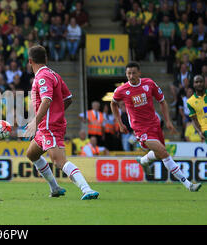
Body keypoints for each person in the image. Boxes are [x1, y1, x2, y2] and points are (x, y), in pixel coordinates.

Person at [111, 62, 201, 192]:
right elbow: (113, 104)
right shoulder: (122, 90)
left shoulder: (149, 84)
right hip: (140, 129)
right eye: (128, 73)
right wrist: (120, 123)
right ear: (126, 74)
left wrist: (168, 121)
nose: (131, 76)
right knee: (164, 152)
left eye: (134, 73)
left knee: (159, 154)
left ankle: (143, 160)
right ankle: (188, 184)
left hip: (154, 124)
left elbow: (162, 101)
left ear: (139, 73)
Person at [25, 45, 99, 200]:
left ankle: (86, 189)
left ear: (30, 61)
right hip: (46, 126)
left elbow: (46, 100)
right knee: (32, 154)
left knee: (59, 161)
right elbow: (68, 99)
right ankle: (55, 188)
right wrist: (56, 114)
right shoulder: (54, 75)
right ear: (46, 59)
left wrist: (36, 121)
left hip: (48, 126)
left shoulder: (42, 77)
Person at [187, 75, 207, 143]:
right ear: (193, 84)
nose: (199, 84)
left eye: (201, 82)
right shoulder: (190, 102)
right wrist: (199, 132)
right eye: (196, 82)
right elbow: (194, 120)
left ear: (204, 83)